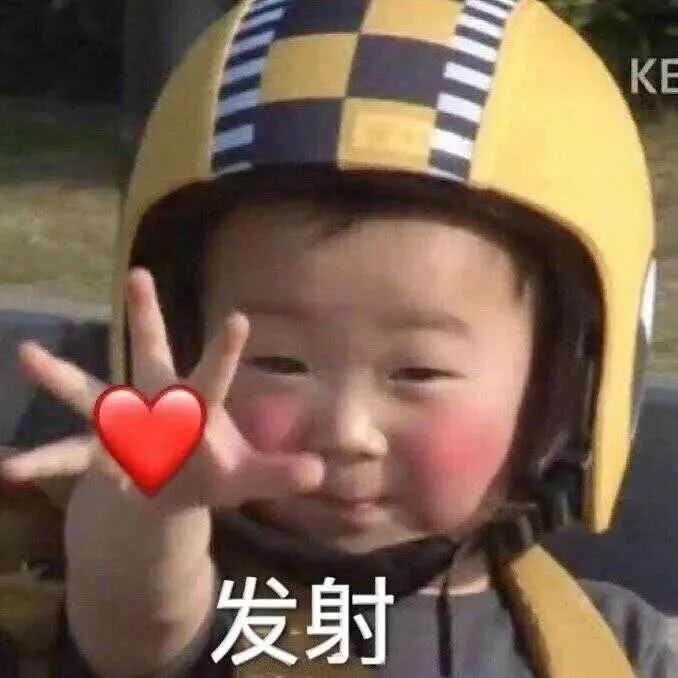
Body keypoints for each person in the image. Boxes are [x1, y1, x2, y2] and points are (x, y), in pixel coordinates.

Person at [0, 0, 675, 675]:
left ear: (564, 382)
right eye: (280, 363)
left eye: (418, 372)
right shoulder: (211, 613)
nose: (347, 432)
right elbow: (137, 623)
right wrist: (154, 507)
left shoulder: (619, 649)